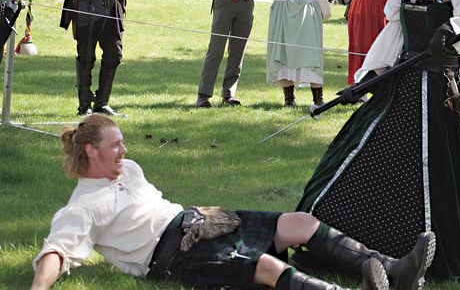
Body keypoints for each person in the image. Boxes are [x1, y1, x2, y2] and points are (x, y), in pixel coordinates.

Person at [296, 0, 460, 282]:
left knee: (428, 172)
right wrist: (370, 76)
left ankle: (424, 257)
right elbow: (394, 34)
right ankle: (343, 246)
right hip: (400, 88)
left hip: (439, 95)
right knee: (359, 159)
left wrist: (452, 30)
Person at [31, 114, 436, 290]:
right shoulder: (81, 207)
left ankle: (395, 271)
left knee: (298, 222)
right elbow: (57, 251)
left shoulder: (129, 169)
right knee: (264, 266)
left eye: (122, 144)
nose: (124, 151)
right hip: (172, 256)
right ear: (89, 153)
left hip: (199, 220)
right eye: (115, 146)